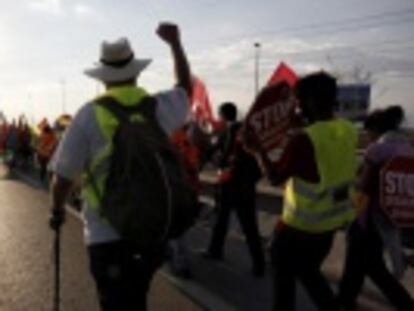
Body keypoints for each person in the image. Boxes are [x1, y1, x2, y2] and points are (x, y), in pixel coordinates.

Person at [49, 22, 191, 311]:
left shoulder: (88, 116)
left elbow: (62, 178)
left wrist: (57, 210)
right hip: (151, 231)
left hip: (106, 236)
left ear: (103, 78)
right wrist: (175, 44)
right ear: (136, 73)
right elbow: (185, 89)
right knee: (137, 297)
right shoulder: (157, 107)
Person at [244, 72, 358, 310]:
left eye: (299, 100)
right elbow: (326, 147)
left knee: (284, 286)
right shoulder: (348, 129)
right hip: (329, 226)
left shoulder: (304, 140)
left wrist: (257, 150)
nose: (296, 106)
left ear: (312, 101)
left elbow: (274, 178)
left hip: (298, 230)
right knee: (309, 275)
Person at [338, 106, 414, 311]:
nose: (368, 137)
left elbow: (365, 187)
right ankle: (345, 302)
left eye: (369, 132)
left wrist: (353, 186)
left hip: (368, 219)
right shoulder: (407, 148)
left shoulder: (377, 150)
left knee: (369, 269)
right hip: (388, 219)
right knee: (362, 268)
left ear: (375, 128)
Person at [203, 102, 265, 277]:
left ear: (223, 115)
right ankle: (258, 264)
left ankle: (215, 251)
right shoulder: (246, 131)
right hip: (247, 186)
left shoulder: (229, 131)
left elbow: (224, 159)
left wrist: (214, 159)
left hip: (231, 185)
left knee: (221, 221)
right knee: (250, 227)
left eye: (219, 115)